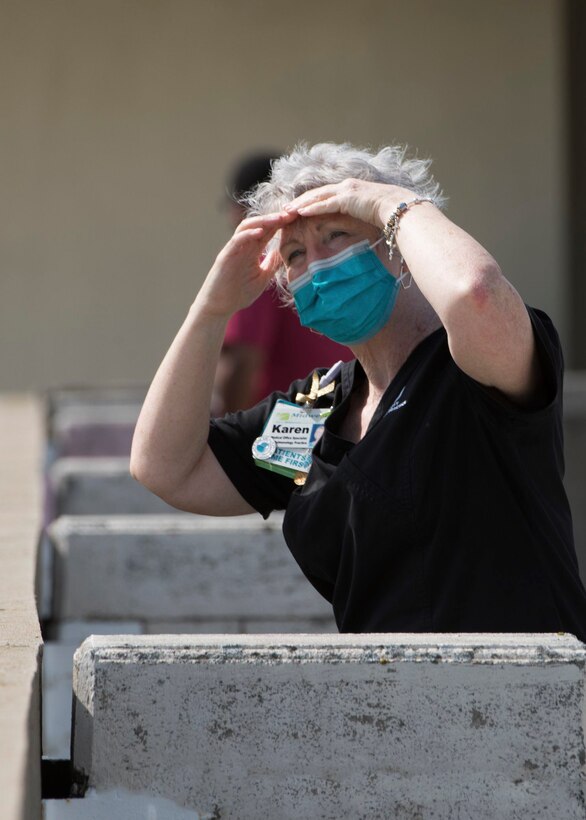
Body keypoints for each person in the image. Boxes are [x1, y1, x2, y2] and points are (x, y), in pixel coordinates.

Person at [131, 141, 586, 641]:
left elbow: (475, 295)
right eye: (296, 254)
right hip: (384, 704)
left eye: (338, 234)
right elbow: (166, 467)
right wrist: (212, 308)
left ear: (397, 244)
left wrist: (392, 203)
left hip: (533, 699)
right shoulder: (314, 411)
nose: (317, 266)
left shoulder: (470, 367)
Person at [213, 151, 350, 414]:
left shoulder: (259, 261)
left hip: (289, 425)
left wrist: (226, 436)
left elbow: (244, 360)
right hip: (339, 408)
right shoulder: (321, 254)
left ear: (245, 208)